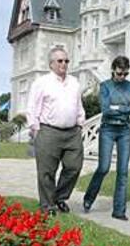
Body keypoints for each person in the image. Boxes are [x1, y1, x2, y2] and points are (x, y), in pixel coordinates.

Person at [26, 47, 85, 216]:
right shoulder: (41, 83)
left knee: (74, 167)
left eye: (66, 61)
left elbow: (79, 105)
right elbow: (32, 108)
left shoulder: (74, 82)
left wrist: (80, 123)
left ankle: (59, 197)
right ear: (51, 64)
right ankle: (47, 205)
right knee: (46, 171)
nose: (64, 64)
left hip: (72, 132)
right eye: (60, 61)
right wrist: (35, 129)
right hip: (48, 131)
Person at [83, 56, 130, 221]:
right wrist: (126, 108)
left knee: (123, 171)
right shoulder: (105, 86)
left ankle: (119, 210)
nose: (122, 77)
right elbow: (106, 110)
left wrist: (118, 107)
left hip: (124, 131)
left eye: (125, 74)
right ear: (113, 70)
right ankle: (89, 198)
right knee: (104, 167)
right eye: (119, 73)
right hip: (108, 129)